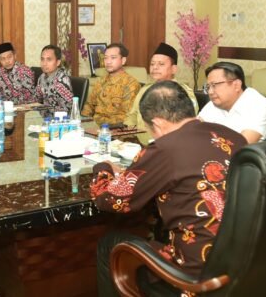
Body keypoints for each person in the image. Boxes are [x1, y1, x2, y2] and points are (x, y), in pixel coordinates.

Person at [93, 81, 248, 296]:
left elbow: (110, 200)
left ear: (157, 123)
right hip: (242, 267)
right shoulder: (233, 137)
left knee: (110, 244)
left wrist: (103, 168)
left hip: (194, 278)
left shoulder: (164, 148)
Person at [124, 42, 198, 144]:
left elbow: (188, 123)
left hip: (171, 145)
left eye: (161, 64)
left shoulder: (183, 92)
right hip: (140, 144)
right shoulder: (145, 89)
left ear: (174, 69)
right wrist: (130, 137)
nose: (155, 67)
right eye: (152, 64)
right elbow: (132, 116)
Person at [198, 61, 266, 144]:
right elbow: (194, 129)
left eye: (214, 85)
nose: (210, 92)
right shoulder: (216, 103)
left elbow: (240, 145)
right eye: (208, 87)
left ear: (236, 85)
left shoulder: (260, 106)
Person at [82, 43, 141, 125]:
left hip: (115, 128)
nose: (108, 62)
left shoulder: (130, 84)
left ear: (123, 60)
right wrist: (82, 123)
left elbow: (127, 117)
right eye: (106, 58)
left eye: (113, 58)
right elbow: (89, 106)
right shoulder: (101, 81)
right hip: (94, 126)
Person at [35, 44, 73, 114]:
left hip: (60, 118)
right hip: (45, 117)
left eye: (49, 59)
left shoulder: (61, 81)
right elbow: (36, 99)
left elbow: (67, 109)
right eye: (42, 59)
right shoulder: (42, 77)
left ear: (58, 62)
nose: (44, 63)